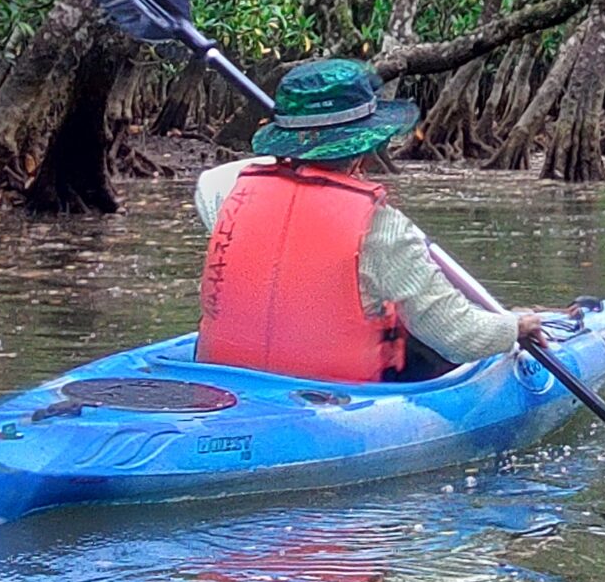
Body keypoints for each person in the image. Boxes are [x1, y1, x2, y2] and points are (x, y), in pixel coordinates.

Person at [194, 57, 545, 383]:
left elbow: (211, 182)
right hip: (330, 401)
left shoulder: (228, 190)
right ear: (365, 146)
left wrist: (294, 156)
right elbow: (457, 338)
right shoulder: (383, 228)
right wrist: (515, 328)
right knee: (400, 319)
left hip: (227, 385)